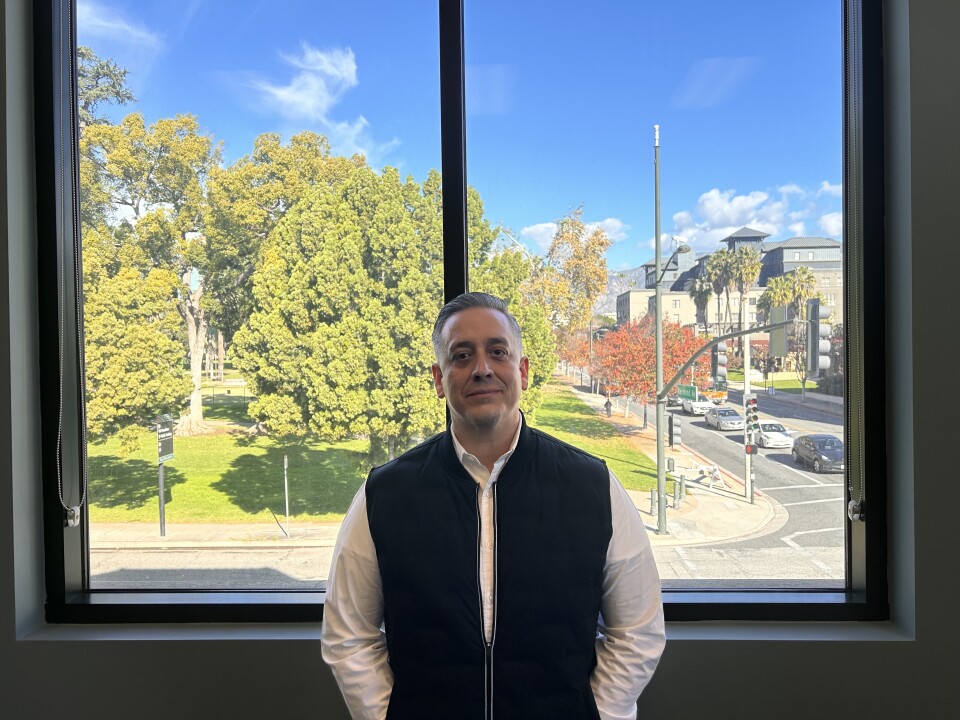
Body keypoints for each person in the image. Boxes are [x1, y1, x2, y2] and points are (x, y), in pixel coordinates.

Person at [321, 292, 665, 720]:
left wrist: (599, 714)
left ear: (521, 370)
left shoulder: (593, 487)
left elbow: (638, 632)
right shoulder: (384, 495)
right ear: (438, 378)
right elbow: (348, 635)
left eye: (497, 352)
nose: (481, 368)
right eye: (461, 355)